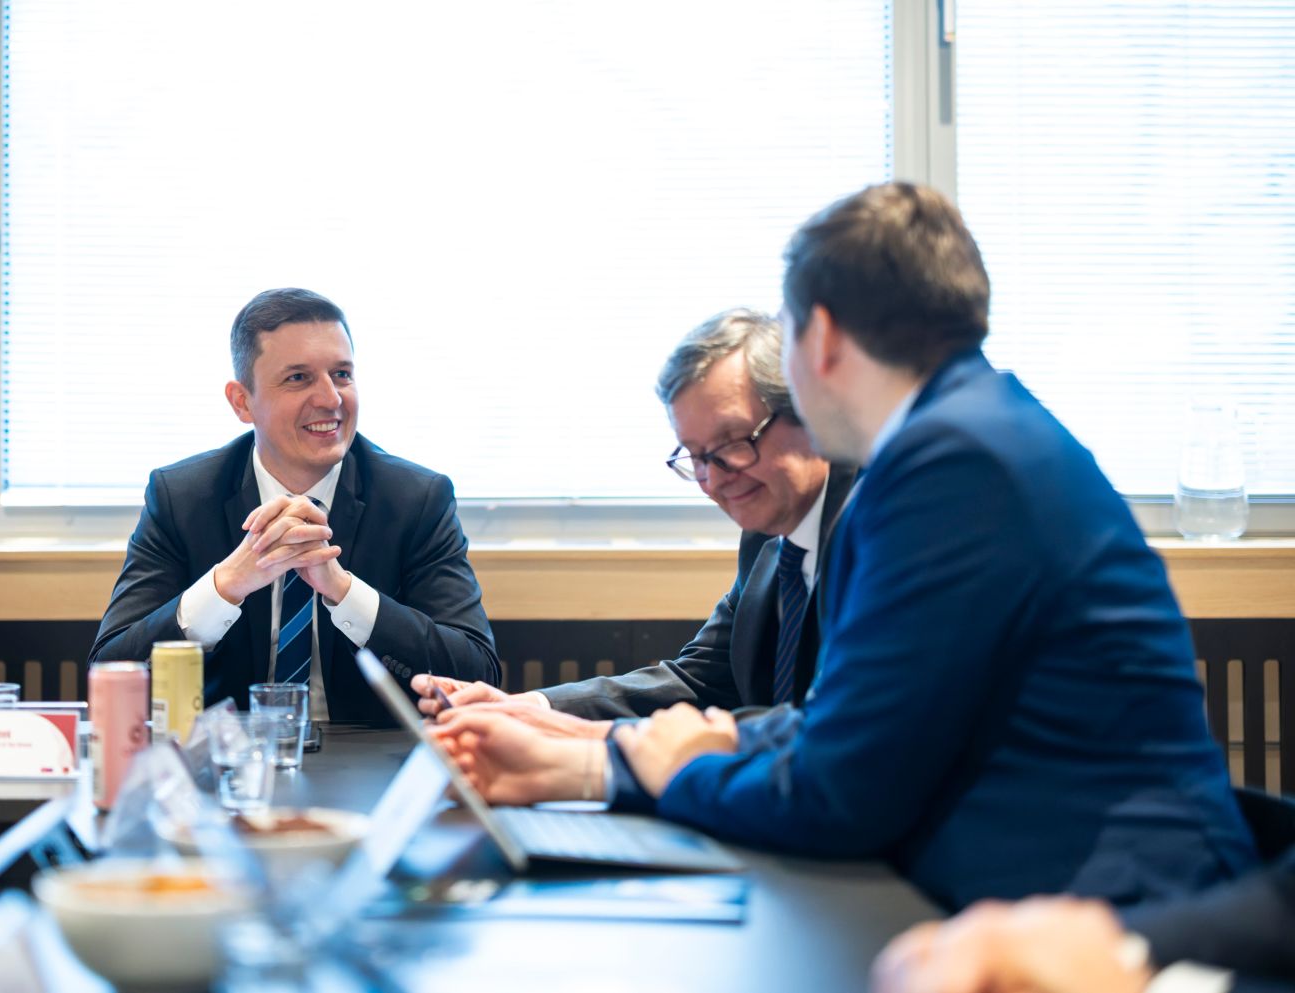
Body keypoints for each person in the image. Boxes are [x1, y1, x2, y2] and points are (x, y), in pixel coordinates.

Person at [434, 183, 1257, 911]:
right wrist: (602, 760)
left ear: (819, 338)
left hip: (1111, 910)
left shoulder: (947, 467)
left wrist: (652, 770)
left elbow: (842, 786)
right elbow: (847, 725)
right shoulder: (976, 433)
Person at [413, 310, 854, 739]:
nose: (715, 479)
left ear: (808, 409)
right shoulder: (766, 532)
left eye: (733, 443)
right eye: (696, 457)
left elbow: (827, 726)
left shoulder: (874, 530)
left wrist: (595, 759)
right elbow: (701, 679)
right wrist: (526, 708)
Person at [89, 287, 497, 725]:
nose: (331, 399)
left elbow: (476, 675)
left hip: (373, 764)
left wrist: (343, 591)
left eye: (341, 374)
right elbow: (111, 675)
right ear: (242, 402)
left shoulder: (415, 499)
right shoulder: (183, 497)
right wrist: (226, 585)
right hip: (230, 766)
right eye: (298, 378)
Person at [872, 850, 1295, 993]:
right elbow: (1283, 901)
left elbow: (839, 794)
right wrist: (1111, 945)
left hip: (1117, 866)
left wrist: (1144, 985)